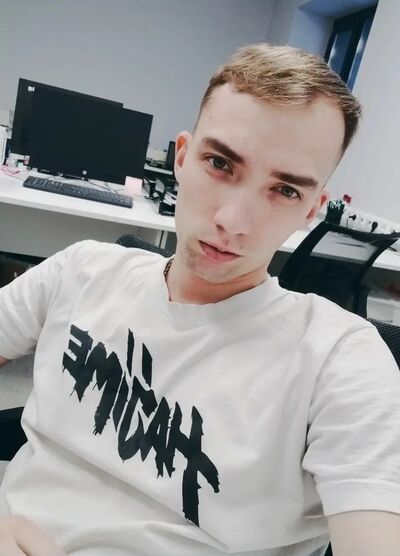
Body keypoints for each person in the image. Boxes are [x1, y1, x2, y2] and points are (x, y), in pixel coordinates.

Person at [0, 43, 399, 556]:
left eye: (285, 190)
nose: (233, 221)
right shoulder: (81, 271)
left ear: (311, 211)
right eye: (220, 163)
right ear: (183, 157)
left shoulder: (340, 360)